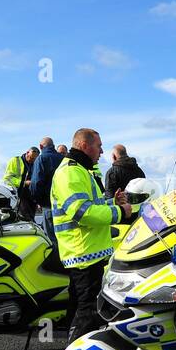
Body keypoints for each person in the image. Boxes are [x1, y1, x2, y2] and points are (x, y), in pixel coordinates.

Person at [51, 128, 134, 339]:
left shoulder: (81, 170)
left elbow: (91, 205)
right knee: (87, 313)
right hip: (82, 253)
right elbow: (82, 212)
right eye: (99, 146)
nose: (102, 151)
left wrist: (111, 202)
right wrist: (119, 212)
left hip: (89, 251)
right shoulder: (70, 172)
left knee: (82, 308)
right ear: (84, 145)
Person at [30, 137, 64, 240]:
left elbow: (36, 183)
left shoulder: (41, 159)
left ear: (41, 147)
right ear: (53, 146)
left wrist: (38, 201)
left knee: (51, 239)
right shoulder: (63, 159)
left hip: (48, 206)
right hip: (64, 205)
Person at [3, 146, 39, 219]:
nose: (32, 160)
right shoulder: (15, 161)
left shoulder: (35, 163)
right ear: (27, 153)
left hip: (31, 197)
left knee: (31, 218)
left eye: (34, 159)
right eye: (31, 158)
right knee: (25, 218)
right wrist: (24, 182)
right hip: (19, 195)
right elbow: (7, 179)